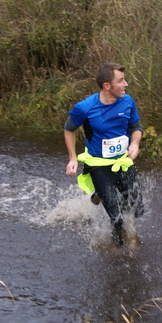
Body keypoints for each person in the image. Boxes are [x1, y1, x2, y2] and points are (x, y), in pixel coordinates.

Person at [64, 62, 144, 245]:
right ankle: (118, 253)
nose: (126, 84)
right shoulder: (85, 108)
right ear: (107, 86)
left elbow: (136, 127)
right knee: (117, 220)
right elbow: (69, 129)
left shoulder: (127, 101)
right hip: (98, 166)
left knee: (138, 209)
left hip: (123, 162)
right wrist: (72, 158)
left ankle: (102, 195)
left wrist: (135, 143)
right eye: (121, 81)